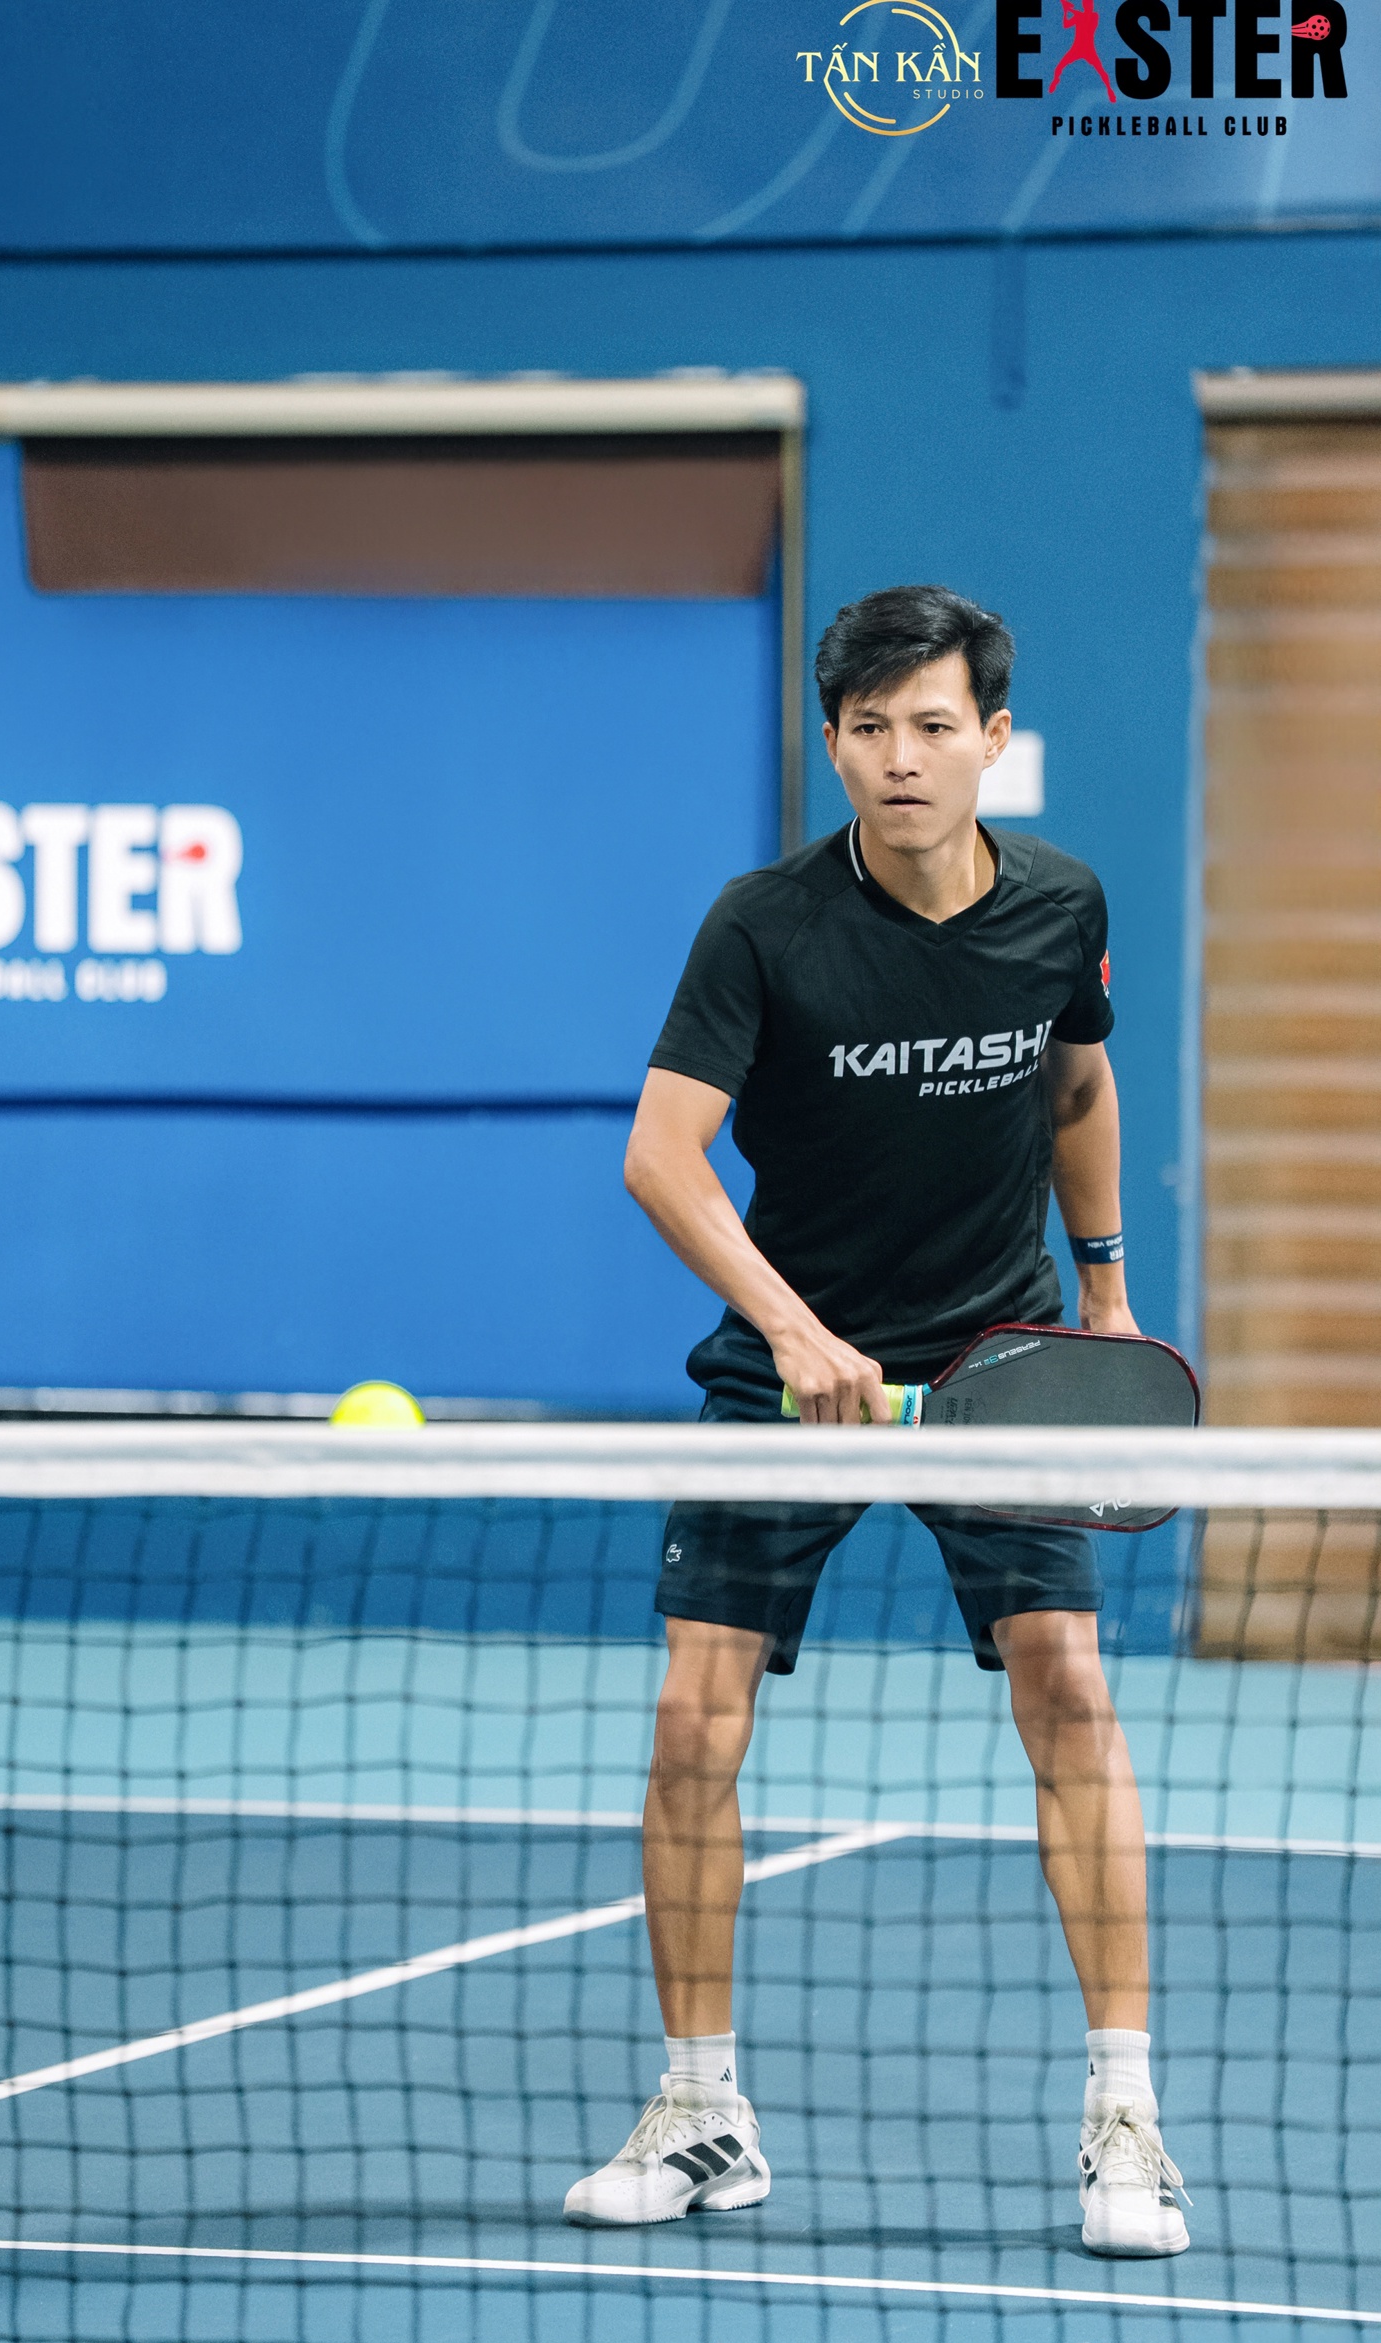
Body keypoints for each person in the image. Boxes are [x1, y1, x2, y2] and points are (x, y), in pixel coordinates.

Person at [562, 584, 1188, 2258]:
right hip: (793, 1366)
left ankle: (1126, 2118)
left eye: (931, 725)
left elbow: (1077, 1083)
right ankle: (702, 2111)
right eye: (867, 728)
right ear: (832, 743)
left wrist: (1107, 1297)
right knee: (694, 1727)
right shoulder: (763, 927)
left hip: (1000, 1356)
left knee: (1070, 1694)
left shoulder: (1060, 904)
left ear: (993, 737)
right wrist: (792, 1331)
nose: (900, 758)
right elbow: (661, 1158)